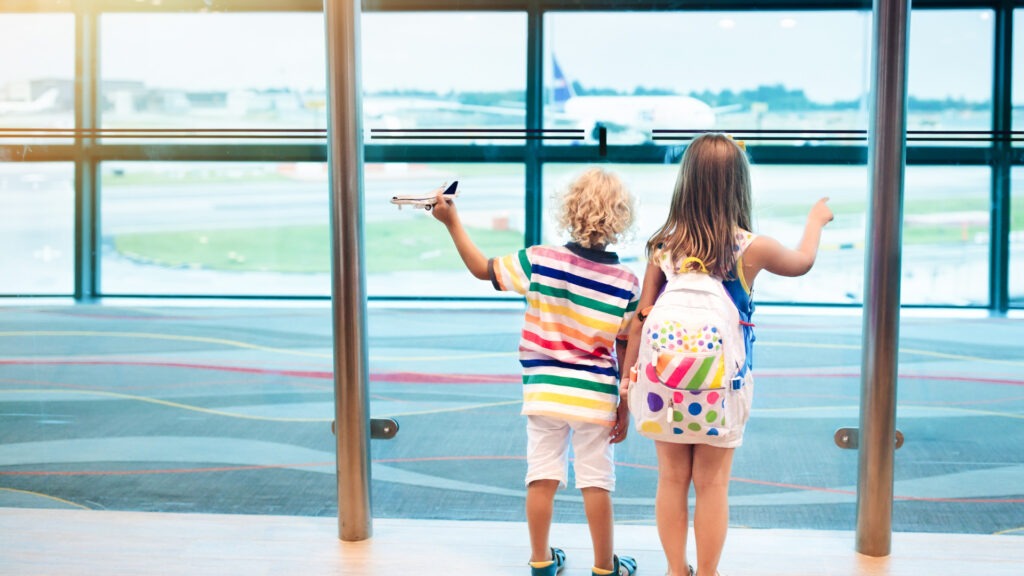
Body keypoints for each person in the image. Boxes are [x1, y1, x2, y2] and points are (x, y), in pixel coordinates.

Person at [619, 133, 833, 576]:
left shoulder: (664, 246)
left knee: (671, 481)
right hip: (722, 389)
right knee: (713, 484)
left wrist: (626, 387)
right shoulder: (748, 248)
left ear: (687, 182)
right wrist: (816, 219)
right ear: (738, 184)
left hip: (662, 387)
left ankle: (677, 570)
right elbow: (803, 262)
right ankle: (709, 572)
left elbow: (642, 316)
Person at [429, 167, 640, 576]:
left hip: (543, 392)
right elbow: (626, 344)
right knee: (596, 479)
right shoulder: (626, 282)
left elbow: (482, 269)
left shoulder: (539, 259)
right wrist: (624, 404)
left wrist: (452, 221)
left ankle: (541, 561)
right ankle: (603, 568)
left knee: (541, 474)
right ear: (621, 217)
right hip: (594, 395)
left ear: (569, 210)